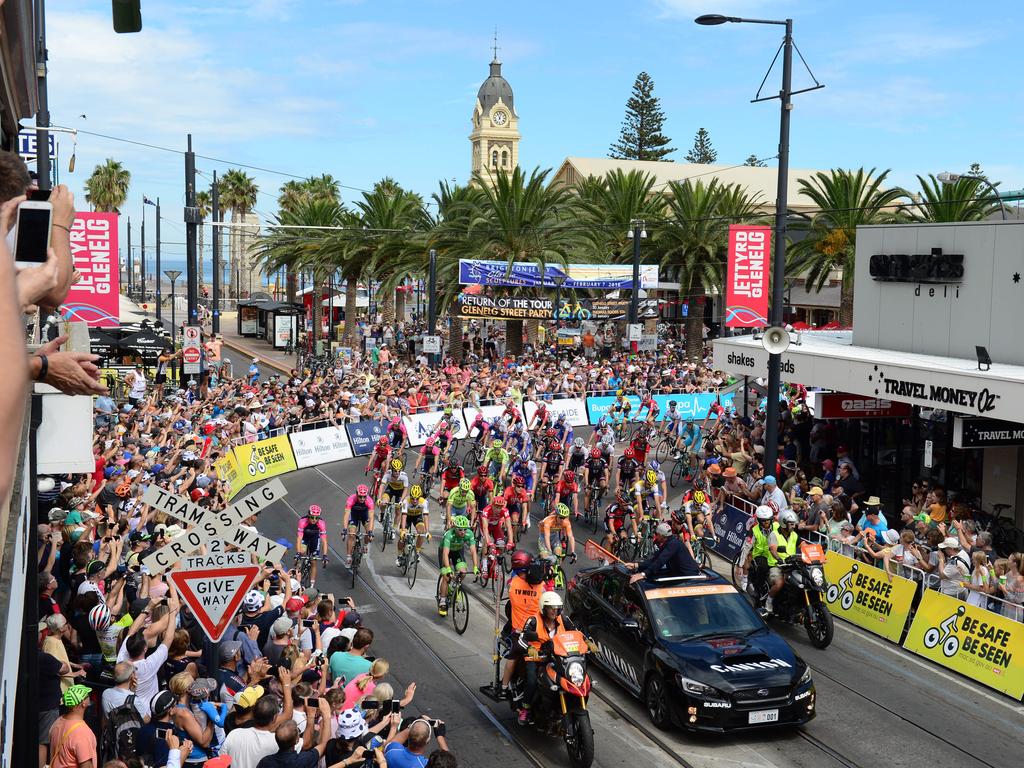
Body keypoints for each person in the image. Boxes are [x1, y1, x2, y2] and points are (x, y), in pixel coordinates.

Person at [517, 592, 577, 724]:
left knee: (570, 678)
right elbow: (522, 638)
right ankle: (525, 709)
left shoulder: (563, 619)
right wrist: (530, 648)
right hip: (537, 657)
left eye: (557, 608)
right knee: (532, 681)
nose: (554, 611)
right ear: (544, 608)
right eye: (551, 608)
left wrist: (587, 642)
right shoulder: (533, 620)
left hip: (557, 657)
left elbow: (575, 632)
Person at [254, 700, 333, 767]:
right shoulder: (303, 760)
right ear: (297, 741)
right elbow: (324, 745)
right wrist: (327, 716)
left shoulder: (265, 762)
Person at [627, 522, 701, 583]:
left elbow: (660, 561)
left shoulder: (673, 544)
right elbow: (655, 560)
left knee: (651, 581)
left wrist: (643, 574)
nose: (655, 536)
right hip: (678, 573)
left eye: (656, 534)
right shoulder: (668, 543)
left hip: (688, 577)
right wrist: (636, 565)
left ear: (661, 535)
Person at [436, 516, 479, 617]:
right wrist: (448, 569)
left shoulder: (469, 534)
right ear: (455, 528)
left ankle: (454, 587)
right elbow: (446, 554)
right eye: (460, 529)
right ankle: (442, 601)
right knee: (446, 576)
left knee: (463, 572)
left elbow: (473, 551)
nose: (463, 532)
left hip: (457, 552)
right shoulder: (449, 535)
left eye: (465, 529)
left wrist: (475, 567)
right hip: (445, 551)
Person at [47, 684, 97, 768]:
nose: (89, 698)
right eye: (87, 696)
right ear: (83, 703)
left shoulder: (57, 722)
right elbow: (86, 766)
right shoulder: (82, 732)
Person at [764, 510, 800, 611]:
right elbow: (773, 550)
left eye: (794, 524)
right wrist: (779, 559)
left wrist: (815, 549)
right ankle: (769, 601)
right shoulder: (774, 534)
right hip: (776, 565)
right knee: (779, 583)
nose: (794, 526)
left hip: (791, 565)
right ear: (784, 523)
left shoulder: (794, 535)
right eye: (791, 524)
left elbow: (804, 545)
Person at [343, 484, 376, 569]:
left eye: (364, 497)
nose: (362, 499)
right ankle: (349, 556)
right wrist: (344, 528)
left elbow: (371, 517)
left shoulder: (370, 501)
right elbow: (346, 514)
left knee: (369, 532)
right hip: (354, 515)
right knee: (351, 535)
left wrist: (370, 532)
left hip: (365, 515)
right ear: (357, 494)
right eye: (360, 497)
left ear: (366, 496)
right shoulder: (351, 499)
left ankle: (365, 545)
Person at [296, 504, 327, 587]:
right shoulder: (303, 521)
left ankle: (312, 585)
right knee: (302, 551)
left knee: (313, 561)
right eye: (312, 517)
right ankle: (298, 565)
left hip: (315, 539)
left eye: (316, 518)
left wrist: (325, 555)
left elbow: (324, 540)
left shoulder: (321, 523)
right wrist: (298, 553)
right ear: (308, 515)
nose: (314, 519)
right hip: (305, 538)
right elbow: (299, 538)